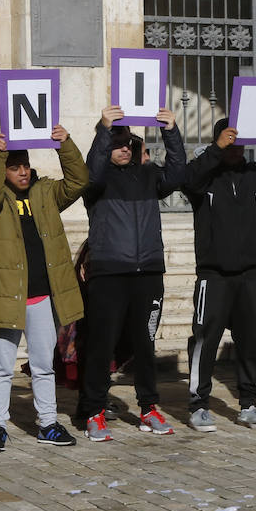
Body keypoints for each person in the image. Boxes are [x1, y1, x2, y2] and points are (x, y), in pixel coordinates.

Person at [0, 126, 87, 451]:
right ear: (3, 171)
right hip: (4, 298)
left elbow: (78, 181)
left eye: (24, 164)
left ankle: (48, 423)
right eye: (13, 166)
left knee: (43, 365)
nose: (22, 171)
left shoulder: (46, 192)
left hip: (40, 298)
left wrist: (65, 143)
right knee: (1, 368)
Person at [77, 105, 187, 441]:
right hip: (109, 273)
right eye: (116, 143)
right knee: (102, 344)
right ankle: (94, 410)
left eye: (128, 144)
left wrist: (171, 131)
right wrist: (103, 128)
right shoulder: (96, 183)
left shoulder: (149, 177)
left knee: (145, 343)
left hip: (149, 272)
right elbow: (90, 173)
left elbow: (178, 174)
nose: (124, 148)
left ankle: (149, 407)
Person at [181, 119, 256, 432]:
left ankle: (248, 404)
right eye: (230, 140)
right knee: (205, 340)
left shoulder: (251, 174)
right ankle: (199, 406)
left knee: (250, 341)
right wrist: (216, 150)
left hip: (249, 274)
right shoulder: (204, 175)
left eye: (240, 141)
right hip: (213, 274)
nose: (237, 146)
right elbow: (187, 180)